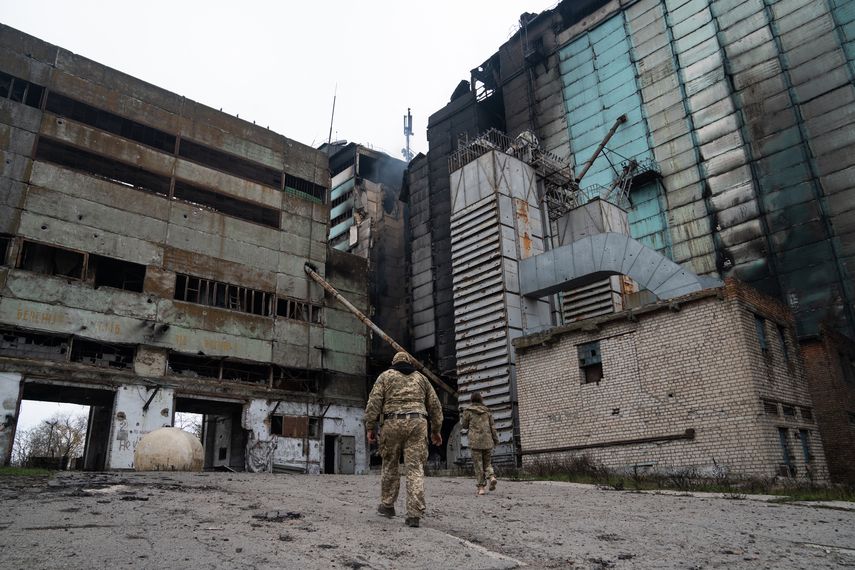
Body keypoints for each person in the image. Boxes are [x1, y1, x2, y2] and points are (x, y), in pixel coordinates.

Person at [364, 351, 443, 528]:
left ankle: (387, 506)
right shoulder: (422, 379)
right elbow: (435, 406)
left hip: (391, 424)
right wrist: (436, 430)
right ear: (409, 362)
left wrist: (370, 426)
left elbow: (373, 402)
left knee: (390, 464)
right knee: (415, 469)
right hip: (417, 423)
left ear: (393, 362)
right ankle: (414, 514)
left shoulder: (385, 376)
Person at [462, 392, 499, 495]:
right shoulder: (487, 411)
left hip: (475, 442)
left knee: (478, 465)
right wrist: (495, 440)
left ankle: (481, 488)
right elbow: (493, 427)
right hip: (487, 440)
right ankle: (491, 476)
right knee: (487, 463)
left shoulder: (468, 411)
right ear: (481, 400)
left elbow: (464, 425)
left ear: (471, 400)